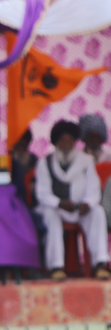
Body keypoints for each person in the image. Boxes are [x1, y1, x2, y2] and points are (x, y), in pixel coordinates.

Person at [34, 120, 111, 280]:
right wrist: (59, 203)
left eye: (70, 140)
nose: (66, 144)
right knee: (51, 215)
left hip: (80, 208)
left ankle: (100, 264)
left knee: (97, 212)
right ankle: (56, 267)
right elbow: (42, 193)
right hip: (57, 208)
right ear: (56, 142)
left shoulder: (86, 161)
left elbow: (94, 189)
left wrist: (87, 203)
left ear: (75, 141)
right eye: (62, 140)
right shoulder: (45, 162)